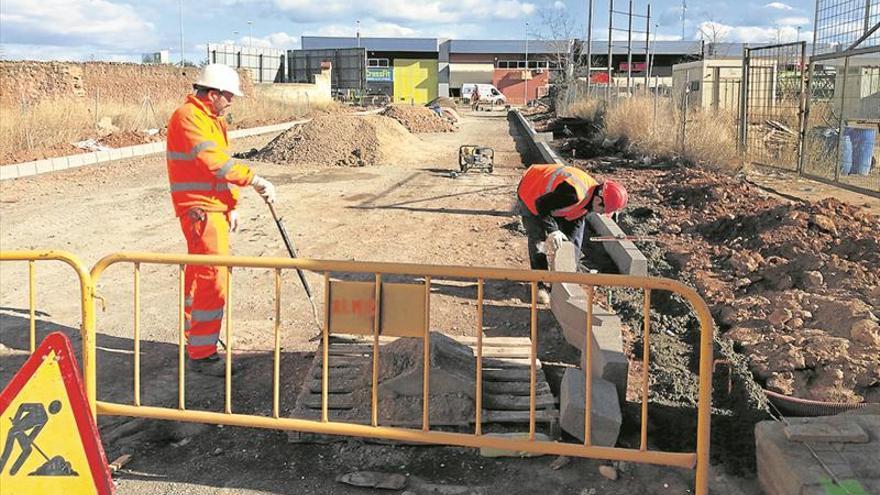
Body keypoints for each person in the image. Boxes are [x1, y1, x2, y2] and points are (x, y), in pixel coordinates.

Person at [166, 64, 276, 376]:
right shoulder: (188, 117)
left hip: (211, 208)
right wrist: (255, 179)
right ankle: (201, 352)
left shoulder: (211, 120)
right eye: (228, 96)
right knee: (212, 278)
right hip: (199, 210)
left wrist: (230, 205)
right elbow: (215, 163)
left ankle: (199, 341)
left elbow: (214, 173)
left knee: (205, 275)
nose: (231, 102)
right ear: (213, 94)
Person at [516, 164, 628, 303]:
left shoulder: (590, 198)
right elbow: (541, 204)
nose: (602, 214)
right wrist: (553, 230)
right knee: (539, 241)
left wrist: (569, 264)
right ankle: (540, 284)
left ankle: (565, 281)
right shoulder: (573, 194)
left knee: (574, 241)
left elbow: (574, 234)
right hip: (532, 189)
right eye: (603, 210)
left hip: (554, 199)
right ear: (598, 200)